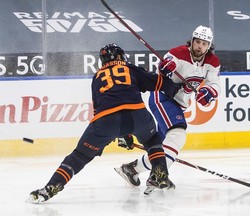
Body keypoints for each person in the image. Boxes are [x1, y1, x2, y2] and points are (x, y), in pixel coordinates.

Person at [28, 43, 179, 203]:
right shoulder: (129, 68)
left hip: (106, 121)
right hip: (138, 116)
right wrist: (177, 86)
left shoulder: (97, 77)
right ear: (121, 56)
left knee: (78, 157)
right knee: (152, 141)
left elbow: (98, 111)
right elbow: (159, 83)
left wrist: (116, 134)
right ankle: (161, 174)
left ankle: (50, 188)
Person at [115, 25, 221, 187]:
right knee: (178, 135)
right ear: (192, 41)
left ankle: (132, 169)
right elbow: (164, 67)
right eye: (197, 42)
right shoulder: (177, 53)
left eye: (204, 43)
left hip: (179, 104)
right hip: (163, 97)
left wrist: (209, 92)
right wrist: (167, 68)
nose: (200, 46)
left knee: (162, 147)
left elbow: (215, 83)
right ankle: (158, 175)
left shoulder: (212, 62)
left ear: (209, 46)